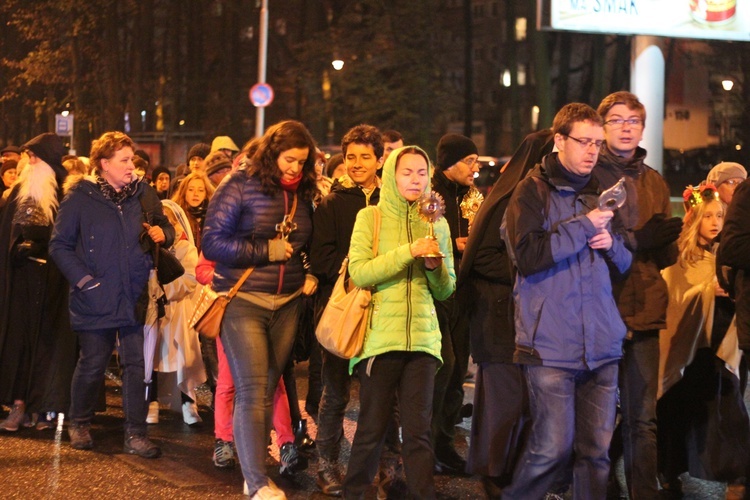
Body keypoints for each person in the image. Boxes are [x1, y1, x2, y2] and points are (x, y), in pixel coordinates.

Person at [501, 103, 632, 499]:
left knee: (596, 454)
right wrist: (584, 226)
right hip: (550, 346)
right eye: (583, 141)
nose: (592, 151)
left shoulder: (602, 190)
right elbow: (527, 256)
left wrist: (613, 245)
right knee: (551, 450)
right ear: (559, 141)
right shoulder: (531, 190)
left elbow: (625, 262)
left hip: (602, 345)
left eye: (597, 143)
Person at [202, 120, 318, 499]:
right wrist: (265, 250)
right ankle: (256, 482)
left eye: (301, 162)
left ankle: (255, 472)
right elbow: (213, 243)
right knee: (251, 390)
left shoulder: (304, 191)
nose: (294, 168)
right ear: (271, 153)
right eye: (288, 159)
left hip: (286, 304)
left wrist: (308, 271)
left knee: (266, 390)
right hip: (244, 300)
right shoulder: (239, 184)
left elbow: (304, 243)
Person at [49, 131, 174, 458]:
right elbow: (59, 245)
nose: (132, 165)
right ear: (104, 163)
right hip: (96, 296)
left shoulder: (143, 194)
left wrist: (165, 233)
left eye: (131, 159)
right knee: (92, 363)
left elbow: (165, 227)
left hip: (135, 293)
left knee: (136, 365)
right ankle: (79, 421)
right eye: (125, 160)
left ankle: (135, 434)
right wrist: (84, 281)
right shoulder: (79, 196)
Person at [342, 145, 456, 499]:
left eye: (422, 173)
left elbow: (446, 290)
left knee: (419, 432)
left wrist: (436, 269)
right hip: (380, 338)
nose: (415, 179)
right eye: (407, 172)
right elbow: (360, 272)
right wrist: (409, 252)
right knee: (372, 428)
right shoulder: (370, 217)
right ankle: (355, 493)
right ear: (391, 175)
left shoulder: (437, 221)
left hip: (423, 340)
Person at [593, 91, 682, 498]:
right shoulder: (590, 174)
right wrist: (637, 240)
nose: (626, 127)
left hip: (645, 308)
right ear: (602, 126)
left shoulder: (655, 181)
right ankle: (595, 487)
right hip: (600, 308)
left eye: (633, 120)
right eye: (616, 119)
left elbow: (660, 257)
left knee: (643, 419)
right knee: (593, 418)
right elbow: (587, 241)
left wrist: (670, 241)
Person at [459, 129, 554, 497]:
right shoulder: (510, 198)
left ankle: (509, 471)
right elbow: (481, 256)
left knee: (523, 400)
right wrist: (526, 268)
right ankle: (493, 473)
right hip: (498, 315)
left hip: (522, 315)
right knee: (502, 400)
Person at [310, 124, 389, 496]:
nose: (357, 164)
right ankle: (326, 463)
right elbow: (321, 257)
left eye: (365, 157)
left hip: (384, 309)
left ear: (380, 159)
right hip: (342, 306)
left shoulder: (392, 201)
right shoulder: (332, 202)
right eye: (351, 157)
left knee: (380, 393)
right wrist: (360, 267)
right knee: (336, 390)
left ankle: (381, 465)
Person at [657, 184, 750, 497]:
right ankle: (669, 473)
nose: (715, 222)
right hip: (688, 349)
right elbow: (675, 304)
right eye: (708, 215)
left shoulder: (726, 255)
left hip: (720, 346)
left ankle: (738, 478)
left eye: (721, 215)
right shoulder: (678, 258)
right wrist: (706, 290)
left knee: (730, 409)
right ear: (694, 217)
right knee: (676, 408)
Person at [0, 133, 78, 432]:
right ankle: (18, 405)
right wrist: (15, 248)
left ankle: (44, 407)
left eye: (34, 157)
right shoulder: (20, 191)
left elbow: (69, 237)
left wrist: (43, 247)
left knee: (48, 342)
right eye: (27, 157)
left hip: (52, 282)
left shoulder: (64, 192)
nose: (28, 162)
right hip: (20, 280)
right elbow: (8, 230)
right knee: (19, 342)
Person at [430, 133, 479, 475]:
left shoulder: (473, 196)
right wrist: (456, 243)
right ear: (450, 163)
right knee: (440, 369)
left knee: (458, 369)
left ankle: (443, 443)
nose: (475, 168)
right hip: (434, 294)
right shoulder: (430, 196)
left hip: (464, 294)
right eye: (470, 161)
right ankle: (422, 442)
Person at [146, 200, 206, 426]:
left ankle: (188, 401)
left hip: (178, 310)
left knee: (183, 358)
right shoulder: (150, 248)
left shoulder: (185, 249)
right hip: (154, 311)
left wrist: (164, 291)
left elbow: (189, 279)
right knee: (151, 356)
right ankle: (151, 401)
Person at [171, 171, 215, 253]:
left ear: (206, 194)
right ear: (184, 192)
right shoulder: (175, 216)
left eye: (201, 190)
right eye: (191, 190)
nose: (196, 194)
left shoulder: (212, 216)